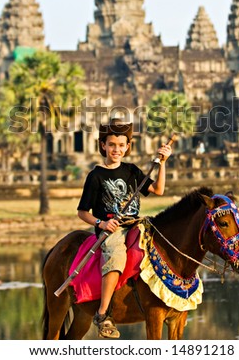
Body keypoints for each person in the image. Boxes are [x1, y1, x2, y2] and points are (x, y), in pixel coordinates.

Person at [77, 118, 172, 339]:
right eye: (112, 145)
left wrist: (163, 163)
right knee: (116, 255)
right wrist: (101, 224)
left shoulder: (132, 171)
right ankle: (102, 314)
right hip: (112, 228)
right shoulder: (96, 176)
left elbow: (158, 190)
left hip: (136, 223)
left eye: (121, 145)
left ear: (128, 147)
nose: (116, 150)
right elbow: (82, 212)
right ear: (103, 146)